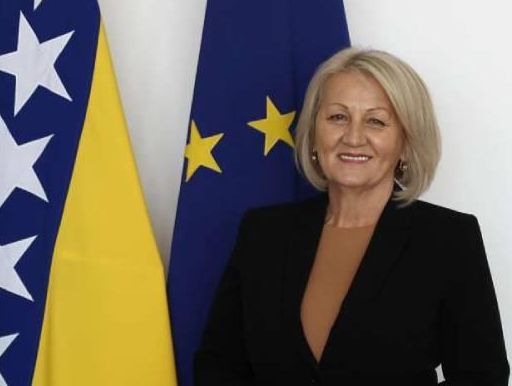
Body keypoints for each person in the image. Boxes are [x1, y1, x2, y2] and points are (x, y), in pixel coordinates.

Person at [194, 48, 509, 385]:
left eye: (376, 121)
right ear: (314, 133)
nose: (354, 137)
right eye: (338, 117)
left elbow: (482, 377)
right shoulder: (263, 233)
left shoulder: (449, 239)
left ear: (406, 141)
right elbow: (219, 366)